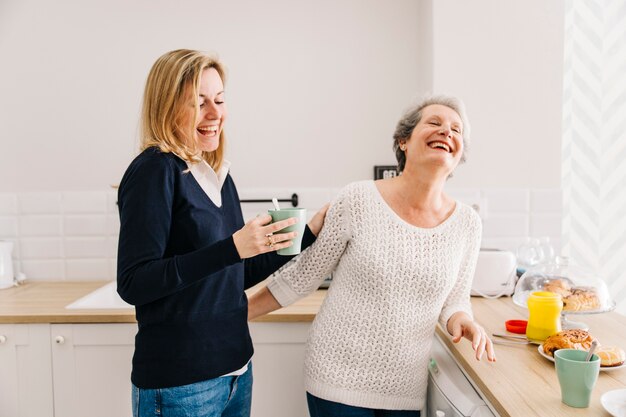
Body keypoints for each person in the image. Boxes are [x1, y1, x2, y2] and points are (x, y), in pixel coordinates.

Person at [248, 95, 496, 417]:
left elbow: (455, 300)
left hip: (404, 387)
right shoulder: (358, 199)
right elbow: (301, 276)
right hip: (337, 378)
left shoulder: (467, 223)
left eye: (456, 130)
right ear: (403, 141)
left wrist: (465, 321)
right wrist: (232, 314)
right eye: (434, 123)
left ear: (458, 154)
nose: (446, 132)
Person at [116, 49, 328, 417]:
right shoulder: (154, 171)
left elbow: (233, 274)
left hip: (235, 373)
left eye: (219, 100)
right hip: (180, 385)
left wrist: (307, 234)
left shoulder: (217, 177)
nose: (215, 114)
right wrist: (232, 247)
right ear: (168, 106)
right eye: (199, 103)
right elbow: (134, 282)